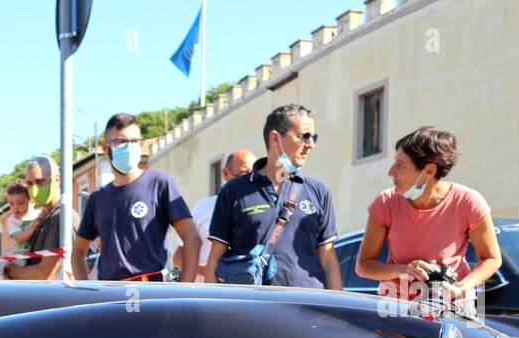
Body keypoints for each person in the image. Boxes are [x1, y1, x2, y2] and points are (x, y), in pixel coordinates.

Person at [354, 126, 501, 311]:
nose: (391, 171)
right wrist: (402, 270)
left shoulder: (469, 202)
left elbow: (492, 259)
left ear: (429, 170)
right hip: (396, 307)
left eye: (400, 165)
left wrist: (458, 288)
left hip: (453, 308)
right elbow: (363, 266)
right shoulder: (385, 203)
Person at [203, 104, 342, 290]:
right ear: (275, 139)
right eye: (304, 136)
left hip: (308, 309)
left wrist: (334, 313)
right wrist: (215, 312)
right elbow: (214, 261)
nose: (311, 145)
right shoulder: (233, 191)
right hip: (253, 308)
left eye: (313, 137)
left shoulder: (319, 192)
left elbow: (329, 261)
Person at [72, 113, 199, 282]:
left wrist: (186, 290)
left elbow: (192, 238)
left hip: (153, 294)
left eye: (134, 141)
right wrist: (85, 292)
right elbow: (78, 251)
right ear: (105, 147)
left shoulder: (160, 184)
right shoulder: (97, 199)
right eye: (121, 141)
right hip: (110, 296)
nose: (129, 147)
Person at [169, 149, 256, 278]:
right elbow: (178, 257)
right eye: (243, 174)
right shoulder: (204, 207)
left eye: (254, 175)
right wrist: (208, 270)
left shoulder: (263, 209)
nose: (249, 180)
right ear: (225, 173)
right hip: (206, 294)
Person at [3, 157, 76, 281]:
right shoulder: (42, 217)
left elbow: (44, 274)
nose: (34, 189)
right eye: (30, 184)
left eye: (40, 181)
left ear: (57, 180)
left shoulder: (60, 217)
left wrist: (10, 271)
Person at [1, 180, 40, 255]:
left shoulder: (37, 215)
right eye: (12, 204)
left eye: (20, 203)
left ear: (31, 201)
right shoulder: (12, 221)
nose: (15, 207)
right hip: (16, 259)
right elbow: (20, 238)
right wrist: (35, 225)